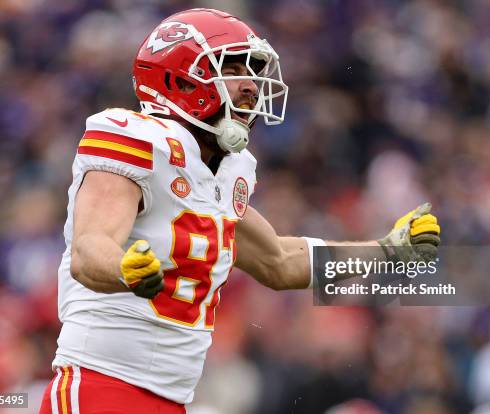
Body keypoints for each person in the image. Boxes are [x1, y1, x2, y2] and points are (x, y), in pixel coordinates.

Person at [39, 8, 440, 414]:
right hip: (100, 386)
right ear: (178, 78)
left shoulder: (225, 170)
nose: (250, 86)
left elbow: (280, 262)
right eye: (231, 69)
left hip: (173, 399)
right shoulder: (136, 138)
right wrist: (125, 269)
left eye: (252, 73)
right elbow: (89, 249)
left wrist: (387, 251)